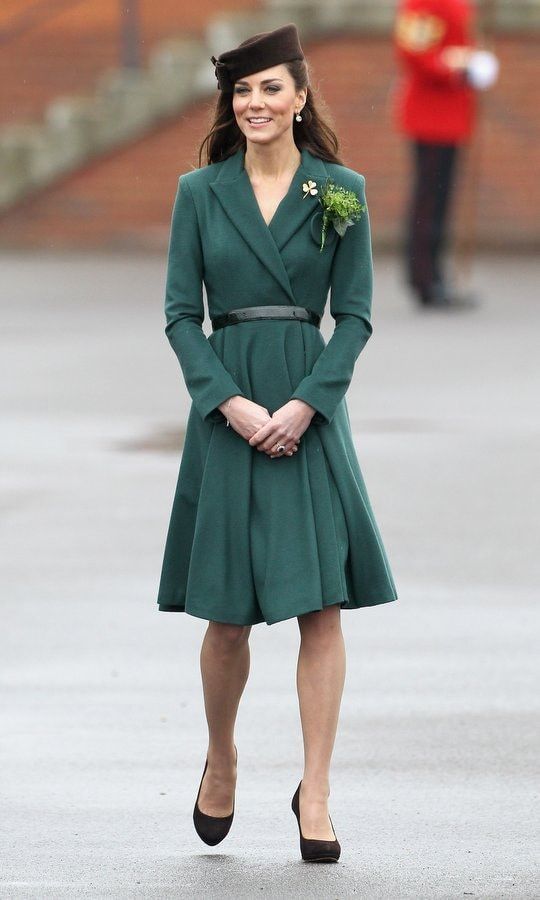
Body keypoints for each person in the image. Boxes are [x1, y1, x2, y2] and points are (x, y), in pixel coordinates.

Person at [156, 23, 398, 862]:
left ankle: (317, 789)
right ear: (232, 102)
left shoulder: (343, 190)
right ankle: (220, 761)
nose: (254, 104)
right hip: (228, 409)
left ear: (300, 97)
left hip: (307, 405)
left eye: (270, 89)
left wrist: (306, 406)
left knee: (319, 606)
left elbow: (358, 314)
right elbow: (182, 314)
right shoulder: (199, 191)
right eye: (241, 90)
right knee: (227, 617)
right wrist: (227, 404)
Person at [393, 0, 497, 309]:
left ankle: (434, 273)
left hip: (452, 115)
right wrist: (462, 68)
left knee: (440, 200)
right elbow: (414, 53)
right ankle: (425, 277)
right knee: (429, 199)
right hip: (431, 115)